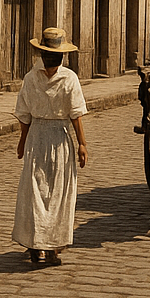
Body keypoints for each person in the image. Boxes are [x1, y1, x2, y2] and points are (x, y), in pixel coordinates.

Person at [12, 27, 88, 267]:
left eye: (54, 56)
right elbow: (25, 116)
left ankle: (53, 246)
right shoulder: (31, 78)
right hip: (40, 137)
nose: (52, 60)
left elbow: (76, 115)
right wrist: (22, 142)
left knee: (59, 193)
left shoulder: (69, 78)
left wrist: (82, 144)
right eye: (49, 55)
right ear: (43, 55)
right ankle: (37, 244)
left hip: (58, 138)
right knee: (36, 191)